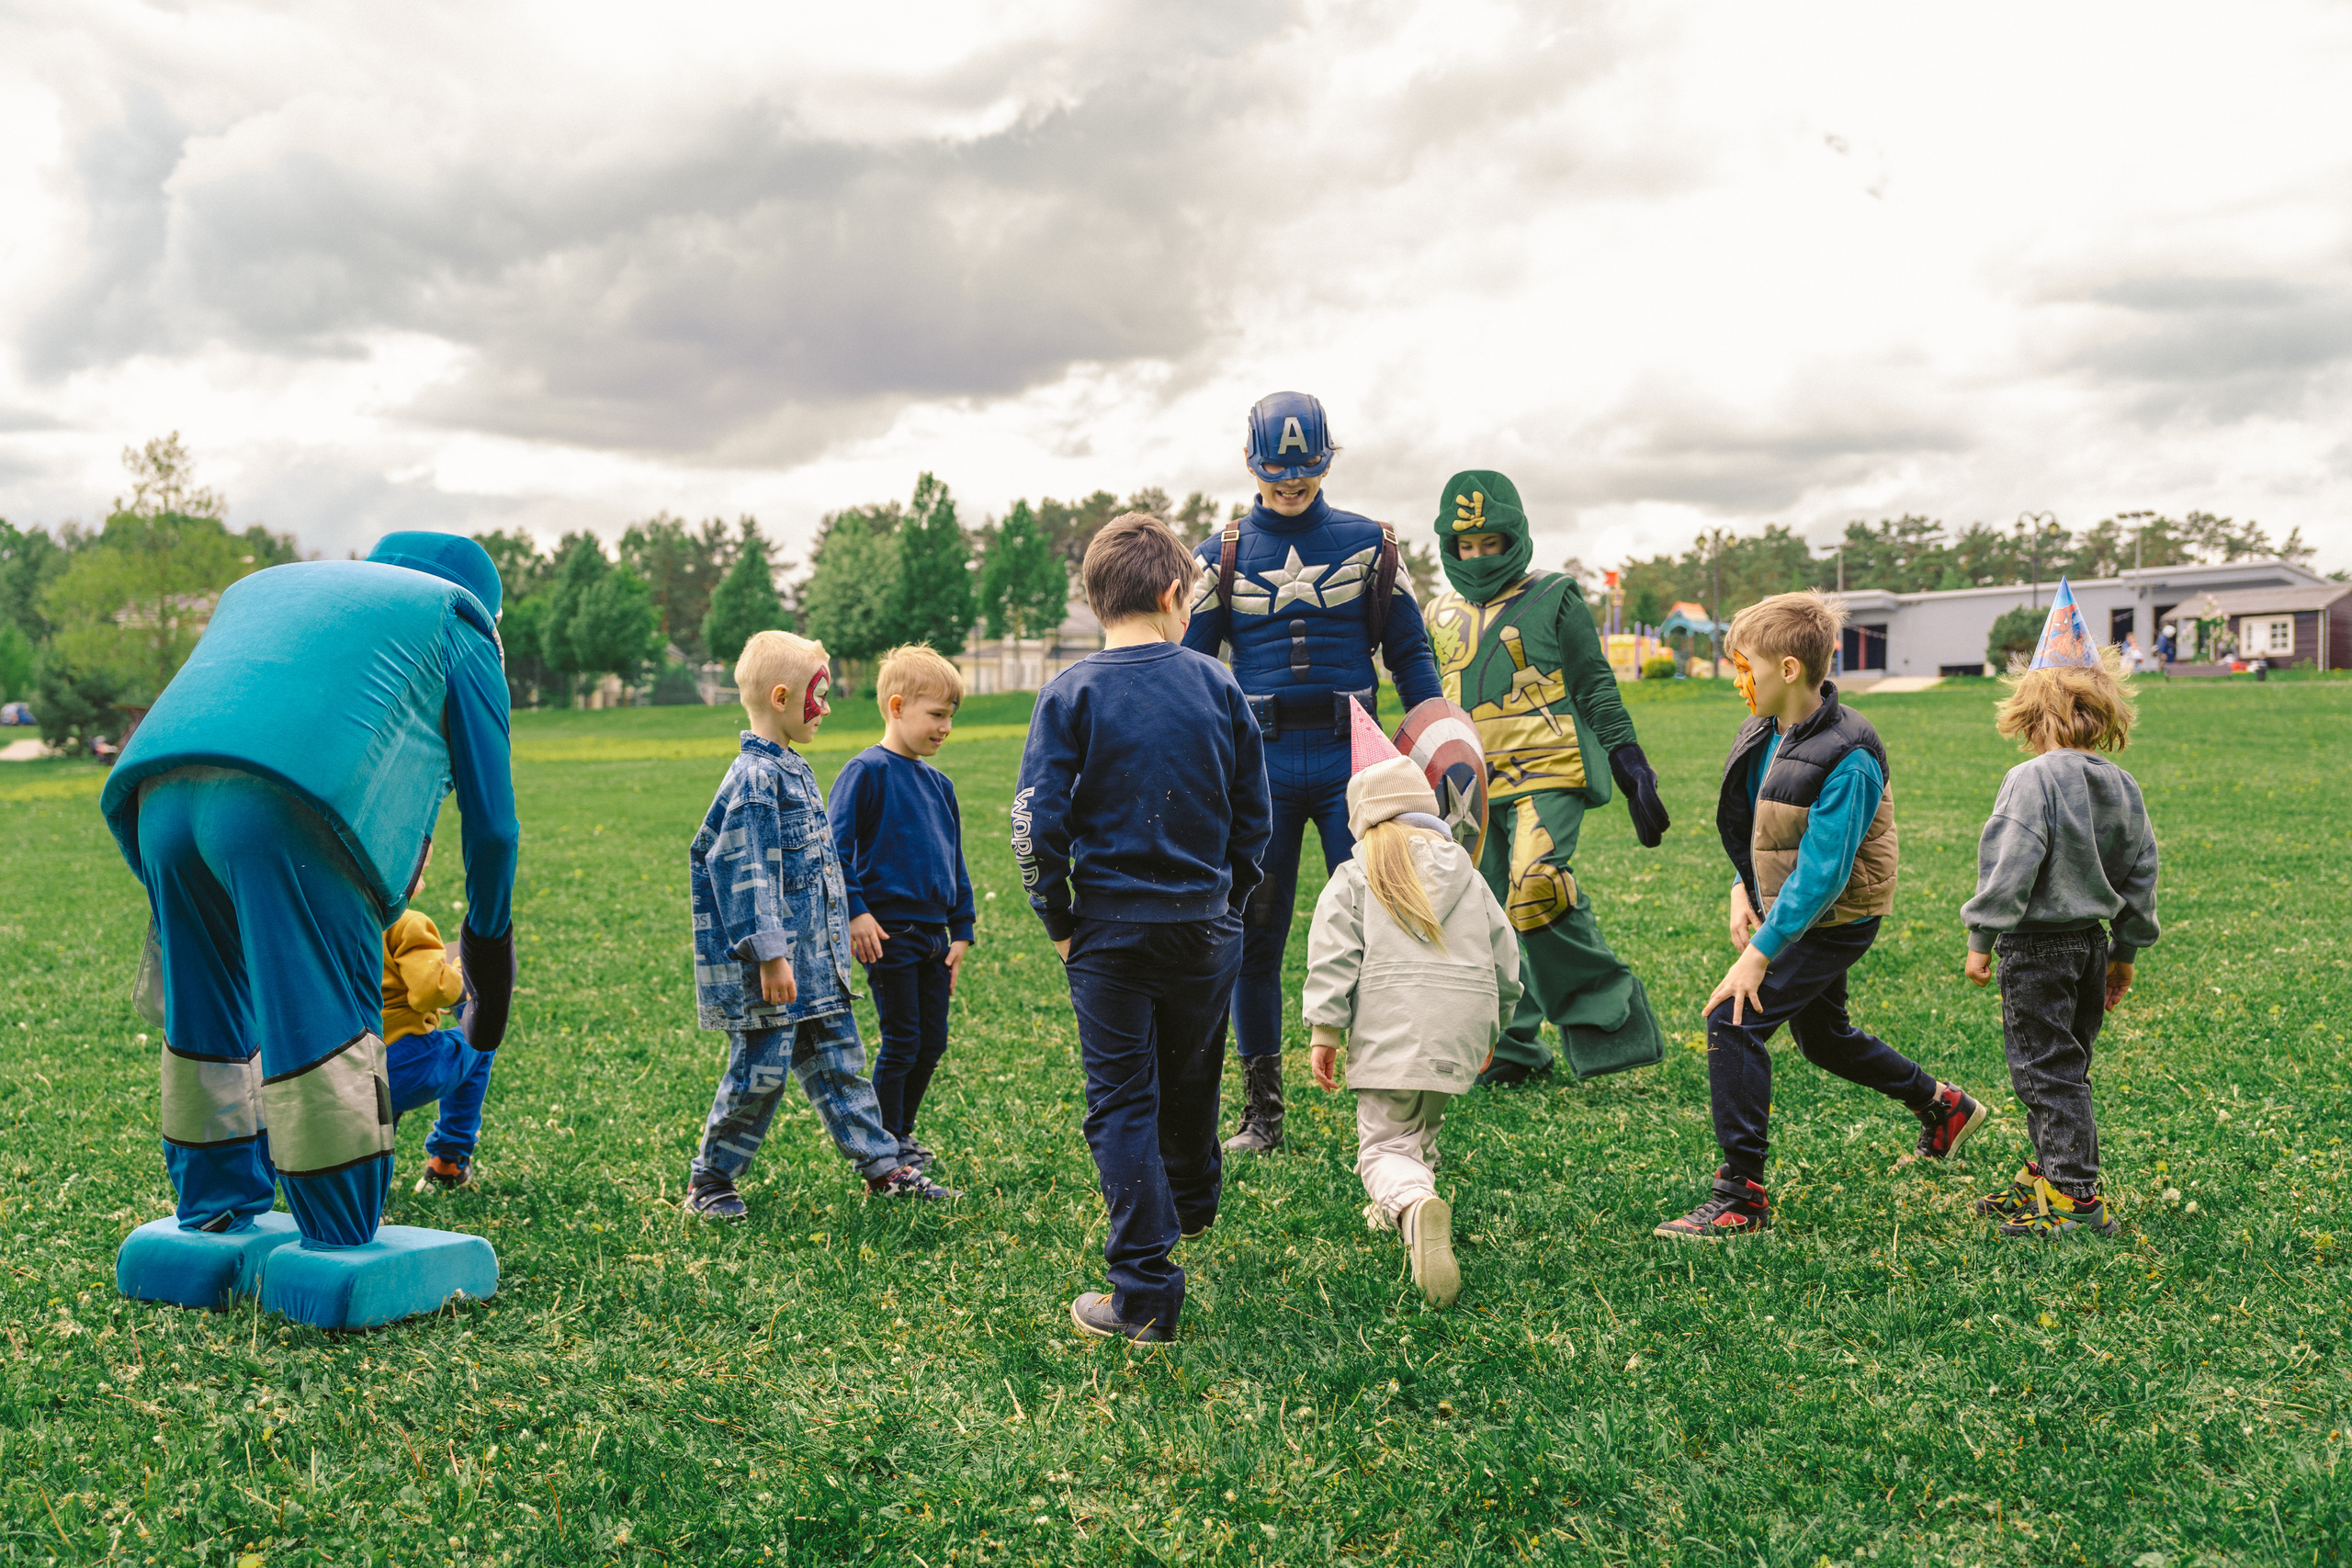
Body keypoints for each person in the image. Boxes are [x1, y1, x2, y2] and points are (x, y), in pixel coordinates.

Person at [101, 533, 519, 1266]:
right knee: (322, 1026)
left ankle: (211, 1212)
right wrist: (488, 948)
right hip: (289, 810)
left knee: (211, 1019)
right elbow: (494, 830)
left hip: (156, 799)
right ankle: (336, 1233)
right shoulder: (460, 623)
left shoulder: (275, 588)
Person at [1656, 590, 1985, 1240]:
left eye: (1744, 665)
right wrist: (1743, 886)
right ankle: (1944, 1106)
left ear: (1787, 669)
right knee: (1823, 1036)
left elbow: (1825, 871)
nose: (1736, 679)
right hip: (1796, 907)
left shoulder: (1850, 752)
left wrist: (1761, 951)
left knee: (1735, 1016)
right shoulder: (1766, 728)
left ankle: (1739, 1197)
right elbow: (1765, 828)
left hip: (1838, 913)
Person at [1014, 513, 1272, 1343]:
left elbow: (1035, 823)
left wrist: (1057, 912)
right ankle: (1191, 1198)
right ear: (1171, 592)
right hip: (1205, 927)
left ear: (1098, 603)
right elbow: (1252, 816)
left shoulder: (1070, 692)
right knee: (1192, 1069)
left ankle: (1144, 1293)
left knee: (1122, 1100)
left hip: (1110, 935)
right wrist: (1229, 903)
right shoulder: (1217, 684)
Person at [1182, 391, 1444, 1155]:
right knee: (1253, 935)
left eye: (1304, 469)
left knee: (1387, 925)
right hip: (1257, 765)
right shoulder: (1217, 555)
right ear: (1249, 462)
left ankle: (1395, 1100)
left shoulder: (1370, 544)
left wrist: (1436, 736)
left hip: (1352, 760)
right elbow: (1191, 669)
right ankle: (1263, 1111)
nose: (1290, 484)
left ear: (1327, 458)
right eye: (1276, 471)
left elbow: (1412, 658)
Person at [684, 630, 955, 1221]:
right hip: (774, 972)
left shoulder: (792, 768)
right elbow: (744, 870)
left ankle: (883, 1166)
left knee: (842, 1068)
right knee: (759, 1076)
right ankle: (711, 1179)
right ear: (781, 697)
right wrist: (770, 956)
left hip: (816, 968)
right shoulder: (754, 780)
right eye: (819, 696)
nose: (826, 709)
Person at [1419, 469, 1671, 1085]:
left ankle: (1609, 1022)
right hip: (1467, 786)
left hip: (1548, 769)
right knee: (1478, 913)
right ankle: (1511, 1045)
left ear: (1515, 537)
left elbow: (1594, 683)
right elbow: (1427, 699)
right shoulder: (1436, 611)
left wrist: (1628, 758)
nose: (1478, 556)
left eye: (1491, 543)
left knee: (1536, 888)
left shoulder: (1554, 594)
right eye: (1466, 545)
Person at [1304, 703, 1519, 1307]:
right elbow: (1507, 957)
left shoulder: (1356, 873)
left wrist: (1326, 1029)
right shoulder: (1469, 876)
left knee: (1383, 1144)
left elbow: (1332, 953)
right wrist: (1492, 1027)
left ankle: (1414, 1201)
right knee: (1421, 1120)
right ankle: (1405, 1202)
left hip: (1390, 1033)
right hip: (1461, 1028)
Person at [1961, 581, 2159, 1238]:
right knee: (2066, 1064)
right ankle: (2046, 1175)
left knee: (2046, 1071)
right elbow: (2141, 872)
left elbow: (2009, 863)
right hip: (2091, 946)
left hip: (2037, 948)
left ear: (2029, 710)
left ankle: (2075, 1198)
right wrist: (2125, 953)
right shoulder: (2122, 784)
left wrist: (1982, 938)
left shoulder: (2032, 779)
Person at [828, 643, 977, 1170]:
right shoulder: (865, 772)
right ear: (896, 706)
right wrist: (857, 910)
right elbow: (834, 850)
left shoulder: (941, 785)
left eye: (950, 717)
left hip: (935, 937)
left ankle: (903, 1132)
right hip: (887, 933)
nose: (945, 727)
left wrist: (961, 928)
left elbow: (954, 860)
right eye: (936, 714)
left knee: (931, 1042)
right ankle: (883, 1143)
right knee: (903, 1040)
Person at [380, 839, 497, 1194]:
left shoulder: (332, 922)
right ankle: (449, 1160)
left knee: (375, 1121)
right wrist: (460, 974)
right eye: (421, 874)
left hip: (348, 1061)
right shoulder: (408, 924)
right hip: (405, 1063)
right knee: (480, 1041)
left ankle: (367, 1201)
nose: (424, 884)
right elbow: (431, 991)